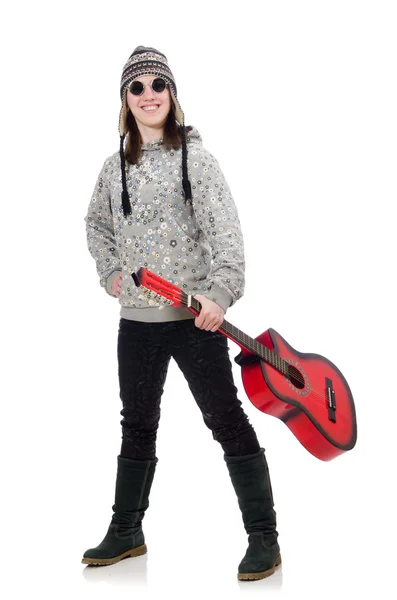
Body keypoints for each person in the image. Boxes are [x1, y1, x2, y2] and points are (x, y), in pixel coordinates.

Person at [82, 46, 281, 581]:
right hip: (136, 325)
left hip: (195, 325)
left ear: (172, 95)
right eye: (137, 87)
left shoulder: (198, 160)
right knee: (137, 425)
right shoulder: (112, 168)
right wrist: (110, 275)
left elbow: (226, 234)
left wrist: (220, 293)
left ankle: (264, 537)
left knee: (226, 421)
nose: (148, 95)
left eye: (158, 85)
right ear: (125, 100)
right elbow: (96, 226)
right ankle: (127, 531)